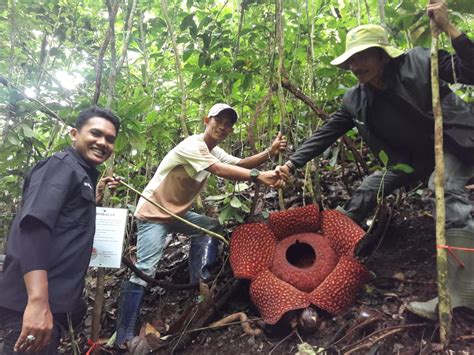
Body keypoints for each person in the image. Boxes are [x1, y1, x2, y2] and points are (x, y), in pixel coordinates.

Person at [279, 0, 474, 319]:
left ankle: (462, 293)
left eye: (363, 56)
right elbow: (327, 133)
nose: (356, 66)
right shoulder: (355, 99)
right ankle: (325, 252)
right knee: (371, 186)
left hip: (455, 139)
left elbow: (471, 70)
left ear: (383, 56)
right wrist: (289, 164)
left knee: (444, 186)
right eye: (351, 60)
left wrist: (449, 27)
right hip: (412, 160)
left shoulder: (421, 62)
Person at [115, 103, 286, 346]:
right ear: (207, 120)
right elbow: (219, 170)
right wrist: (259, 177)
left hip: (176, 215)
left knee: (210, 226)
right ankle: (124, 336)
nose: (223, 127)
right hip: (154, 213)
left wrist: (269, 152)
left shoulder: (213, 150)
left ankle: (200, 285)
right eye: (219, 121)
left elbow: (239, 164)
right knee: (145, 271)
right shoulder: (192, 146)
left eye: (229, 124)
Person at [0, 107, 121, 354]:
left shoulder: (79, 174)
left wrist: (93, 198)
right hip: (31, 305)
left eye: (110, 139)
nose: (102, 142)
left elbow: (65, 223)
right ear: (74, 134)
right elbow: (35, 228)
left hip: (48, 306)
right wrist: (37, 302)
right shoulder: (61, 166)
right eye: (95, 133)